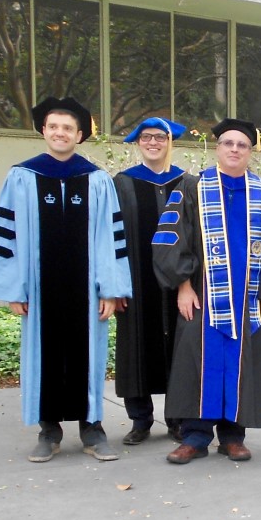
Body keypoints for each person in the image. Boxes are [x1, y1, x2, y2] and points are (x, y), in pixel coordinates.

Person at [0, 96, 132, 463]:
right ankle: (48, 428)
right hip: (39, 289)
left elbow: (111, 238)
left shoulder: (96, 180)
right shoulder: (22, 176)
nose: (60, 133)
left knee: (89, 355)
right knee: (42, 353)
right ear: (43, 131)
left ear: (80, 134)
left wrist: (111, 290)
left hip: (86, 290)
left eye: (68, 128)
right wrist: (14, 289)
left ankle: (92, 428)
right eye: (53, 127)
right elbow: (8, 235)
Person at [152, 118, 261, 464]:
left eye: (242, 145)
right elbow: (172, 236)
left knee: (242, 366)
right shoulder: (192, 188)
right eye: (228, 143)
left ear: (251, 151)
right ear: (218, 148)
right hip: (203, 298)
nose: (235, 149)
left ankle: (233, 437)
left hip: (248, 300)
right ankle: (194, 436)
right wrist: (183, 286)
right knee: (198, 364)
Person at [113, 116, 189, 446]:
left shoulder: (187, 183)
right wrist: (115, 285)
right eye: (146, 137)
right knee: (135, 346)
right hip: (136, 280)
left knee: (180, 348)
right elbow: (111, 236)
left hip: (178, 284)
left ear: (170, 141)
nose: (153, 142)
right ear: (138, 142)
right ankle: (140, 420)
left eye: (160, 137)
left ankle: (177, 419)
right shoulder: (123, 182)